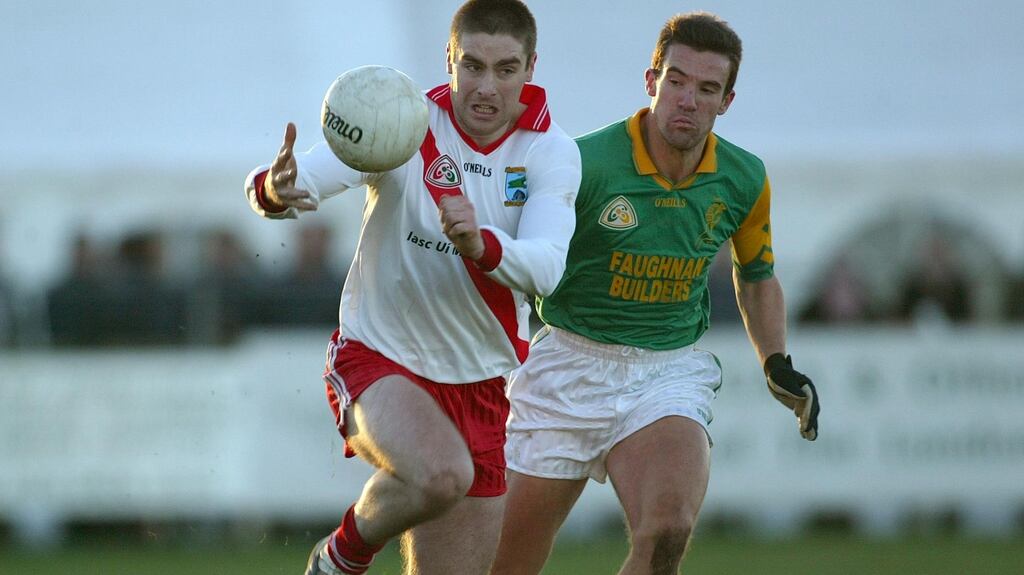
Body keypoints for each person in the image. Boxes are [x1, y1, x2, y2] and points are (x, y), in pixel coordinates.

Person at [243, 1, 581, 573]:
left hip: (481, 384)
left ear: (531, 68)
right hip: (379, 356)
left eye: (505, 69)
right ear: (448, 59)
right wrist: (273, 189)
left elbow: (546, 267)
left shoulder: (550, 152)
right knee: (442, 472)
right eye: (471, 65)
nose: (486, 87)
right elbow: (303, 178)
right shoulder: (405, 120)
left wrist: (482, 245)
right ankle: (341, 557)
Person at [491, 12, 820, 575]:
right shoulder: (583, 163)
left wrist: (776, 361)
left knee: (668, 531)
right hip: (567, 365)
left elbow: (758, 274)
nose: (688, 99)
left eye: (707, 88)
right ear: (651, 82)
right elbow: (511, 239)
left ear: (727, 101)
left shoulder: (744, 178)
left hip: (664, 373)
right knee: (503, 564)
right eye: (677, 80)